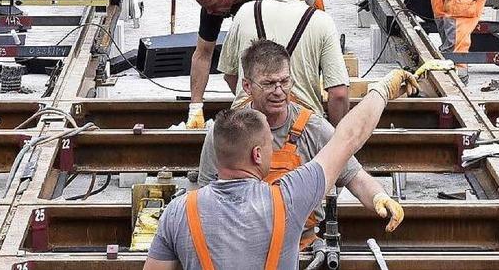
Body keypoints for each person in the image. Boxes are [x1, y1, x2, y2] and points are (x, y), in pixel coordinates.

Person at [143, 68, 418, 270]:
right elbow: (348, 137)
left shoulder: (178, 212)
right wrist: (383, 90)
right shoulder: (288, 199)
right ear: (258, 154)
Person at [199, 39, 406, 249]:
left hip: (301, 244)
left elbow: (355, 176)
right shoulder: (226, 132)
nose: (279, 91)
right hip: (240, 245)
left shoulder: (312, 127)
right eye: (269, 83)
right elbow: (205, 196)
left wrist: (379, 197)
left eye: (285, 81)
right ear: (247, 86)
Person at [187, 0, 325, 129]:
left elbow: (290, 46)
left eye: (213, 6)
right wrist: (195, 107)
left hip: (306, 2)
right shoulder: (211, 1)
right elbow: (203, 54)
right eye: (205, 7)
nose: (210, 12)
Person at [217, 0, 349, 126]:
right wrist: (334, 138)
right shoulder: (321, 21)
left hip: (247, 126)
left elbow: (230, 75)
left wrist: (259, 95)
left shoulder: (245, 12)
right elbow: (339, 94)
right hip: (302, 127)